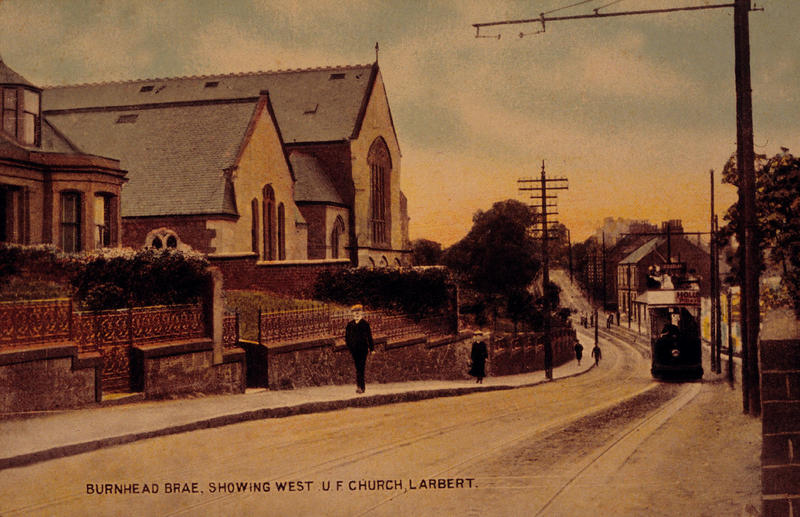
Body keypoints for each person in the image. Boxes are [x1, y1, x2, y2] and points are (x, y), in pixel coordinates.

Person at [345, 304, 374, 394]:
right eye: (355, 312)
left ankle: (361, 387)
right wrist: (350, 347)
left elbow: (369, 337)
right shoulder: (350, 325)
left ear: (362, 313)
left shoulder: (365, 324)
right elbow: (347, 337)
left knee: (361, 367)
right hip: (354, 350)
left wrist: (372, 349)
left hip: (363, 349)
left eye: (359, 312)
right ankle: (360, 386)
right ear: (352, 314)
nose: (357, 314)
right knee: (358, 368)